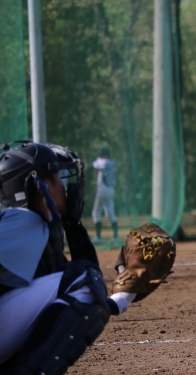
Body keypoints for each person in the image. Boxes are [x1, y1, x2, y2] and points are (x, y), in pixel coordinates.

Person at [0, 142, 138, 374]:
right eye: (57, 178)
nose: (66, 188)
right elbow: (86, 281)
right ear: (40, 185)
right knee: (85, 279)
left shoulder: (32, 228)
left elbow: (71, 299)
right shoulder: (23, 221)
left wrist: (121, 299)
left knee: (82, 279)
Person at [91, 146, 118, 244]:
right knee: (111, 213)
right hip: (111, 189)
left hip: (102, 189)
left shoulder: (101, 161)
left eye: (101, 155)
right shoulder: (112, 163)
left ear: (105, 155)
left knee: (96, 213)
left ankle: (99, 237)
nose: (100, 157)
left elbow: (94, 167)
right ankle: (116, 237)